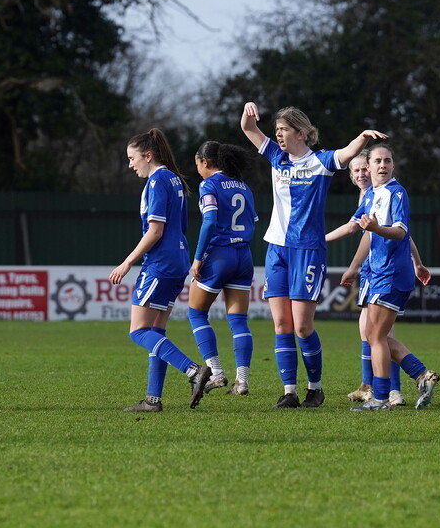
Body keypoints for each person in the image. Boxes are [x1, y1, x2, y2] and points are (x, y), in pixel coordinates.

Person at [240, 101, 387, 408]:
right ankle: (289, 391)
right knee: (281, 325)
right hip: (277, 249)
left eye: (283, 129)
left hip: (308, 251)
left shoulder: (320, 162)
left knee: (302, 326)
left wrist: (363, 137)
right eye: (276, 130)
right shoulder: (276, 157)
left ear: (301, 133)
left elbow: (346, 153)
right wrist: (248, 111)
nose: (278, 135)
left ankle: (315, 388)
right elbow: (248, 129)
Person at [110, 128, 211, 412]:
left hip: (161, 263)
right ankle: (153, 400)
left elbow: (155, 231)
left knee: (138, 331)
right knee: (156, 330)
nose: (130, 164)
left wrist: (127, 261)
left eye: (132, 158)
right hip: (178, 260)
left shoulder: (156, 182)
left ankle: (193, 371)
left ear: (148, 155)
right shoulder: (175, 180)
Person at [326, 150, 432, 407]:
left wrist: (374, 229)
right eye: (377, 161)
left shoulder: (396, 193)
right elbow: (356, 228)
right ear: (369, 166)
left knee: (376, 337)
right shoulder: (372, 195)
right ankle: (419, 376)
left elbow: (400, 232)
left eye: (387, 161)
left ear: (393, 165)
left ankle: (384, 395)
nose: (382, 165)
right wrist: (321, 241)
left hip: (391, 272)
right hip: (377, 273)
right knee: (375, 335)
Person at [188, 141, 258, 397]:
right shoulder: (243, 186)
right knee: (238, 320)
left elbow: (209, 221)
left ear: (205, 162)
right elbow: (253, 221)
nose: (197, 170)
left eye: (197, 164)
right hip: (244, 255)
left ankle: (216, 373)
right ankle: (242, 381)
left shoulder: (209, 184)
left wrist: (198, 258)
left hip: (219, 255)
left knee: (196, 313)